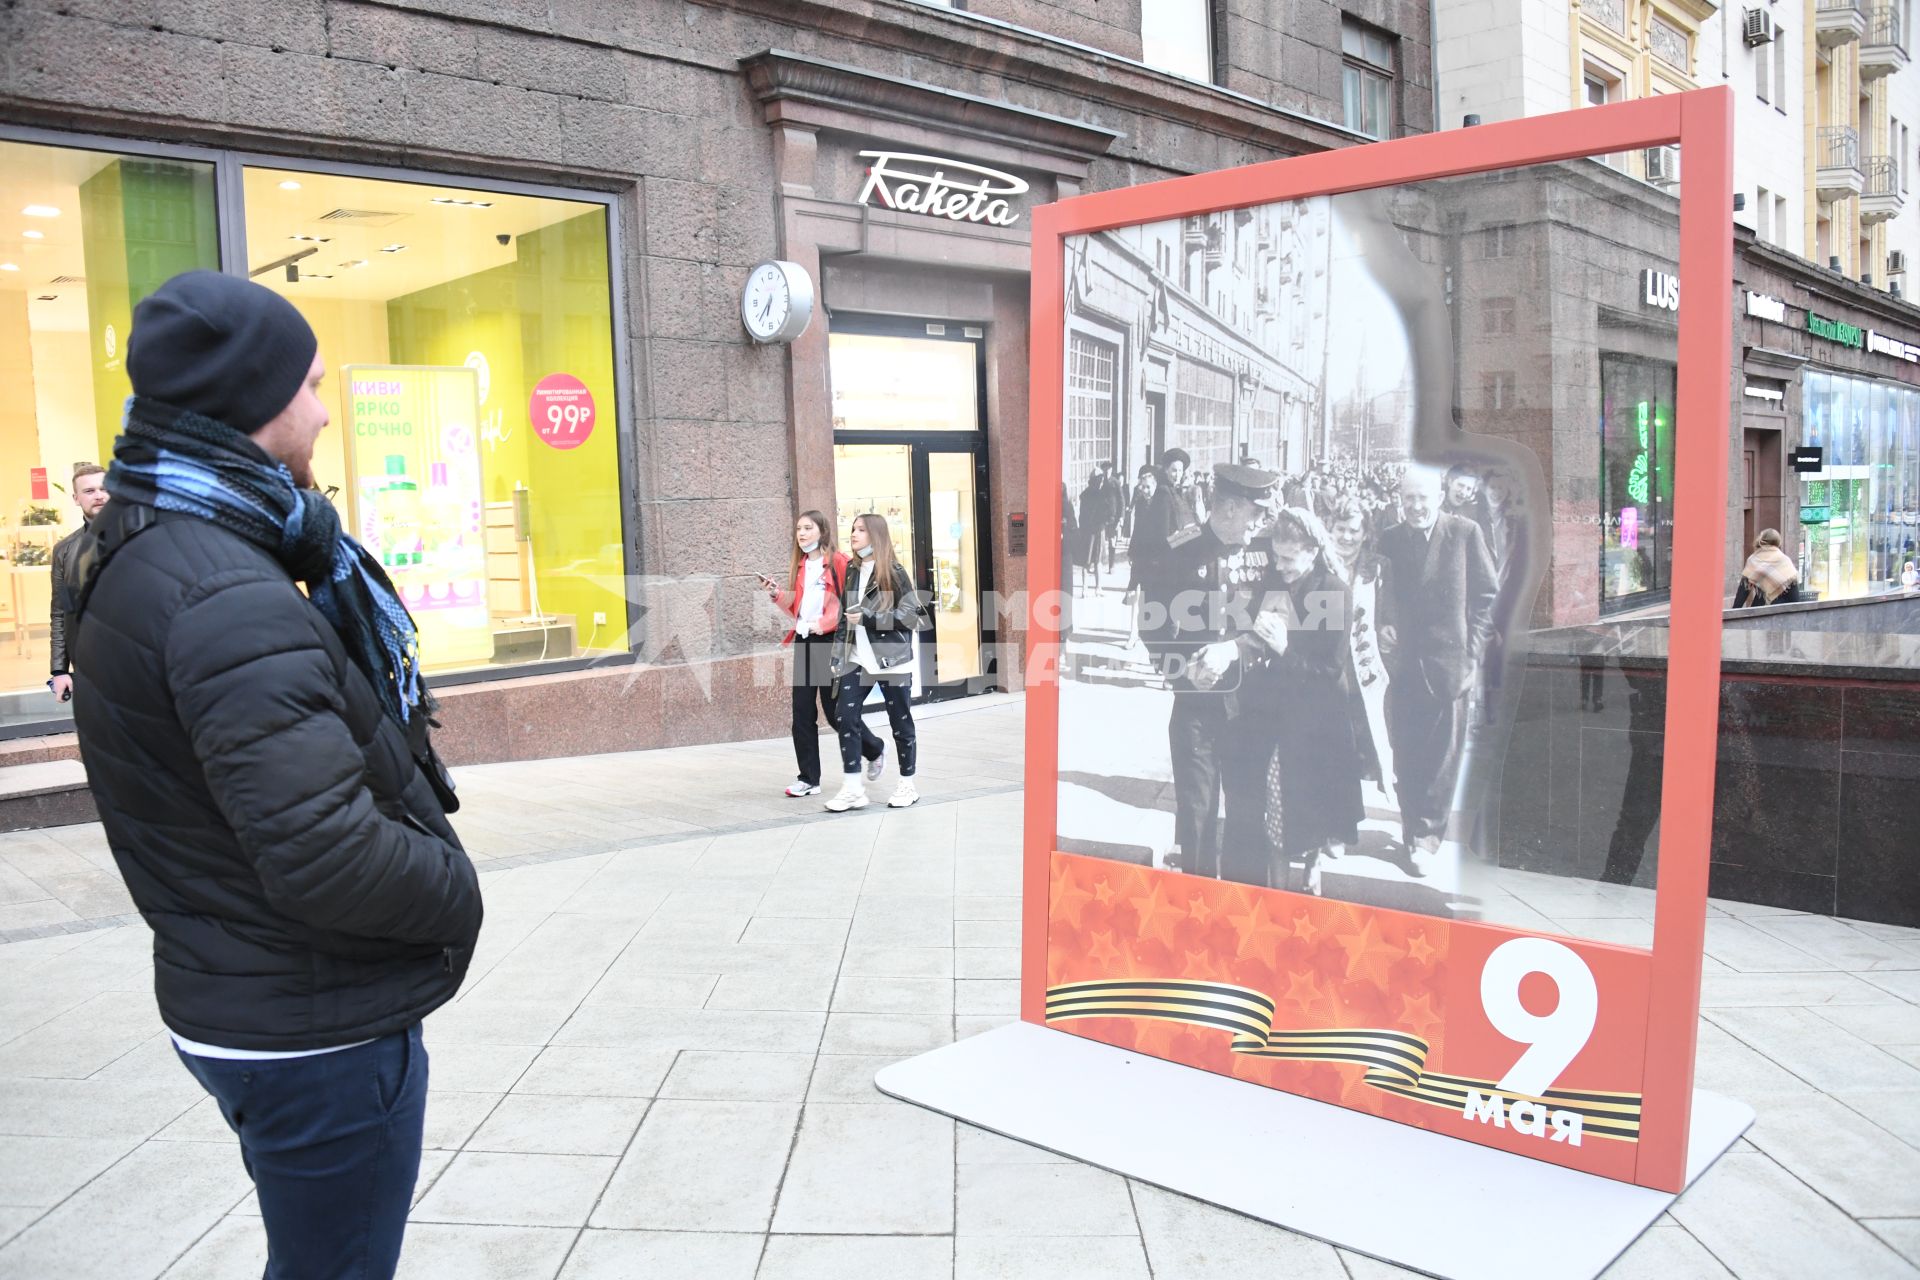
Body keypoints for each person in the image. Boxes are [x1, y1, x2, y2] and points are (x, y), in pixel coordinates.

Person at [68, 271, 483, 1280]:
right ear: (255, 399)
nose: (327, 408)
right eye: (311, 383)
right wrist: (456, 891)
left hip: (248, 991)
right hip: (312, 1026)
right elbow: (327, 848)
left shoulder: (163, 544)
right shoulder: (226, 592)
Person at [1137, 463, 1279, 880]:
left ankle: (1240, 903)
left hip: (1250, 708)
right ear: (1232, 508)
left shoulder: (1266, 553)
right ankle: (1196, 902)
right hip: (1196, 709)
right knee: (1196, 814)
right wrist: (1182, 673)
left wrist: (1237, 650)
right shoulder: (1179, 550)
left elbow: (1281, 619)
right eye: (1256, 513)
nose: (1262, 522)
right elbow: (1152, 626)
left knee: (1246, 813)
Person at [1242, 506, 1374, 896]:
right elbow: (1250, 624)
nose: (1278, 565)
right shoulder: (1273, 581)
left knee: (1312, 812)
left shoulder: (1334, 592)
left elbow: (1330, 669)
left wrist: (1283, 648)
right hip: (1275, 718)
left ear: (1312, 552)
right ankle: (1278, 893)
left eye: (1287, 558)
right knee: (1277, 811)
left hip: (1318, 723)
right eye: (1275, 556)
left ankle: (1313, 871)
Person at [1376, 464, 1499, 876]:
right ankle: (1412, 827)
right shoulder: (1390, 539)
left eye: (1422, 498)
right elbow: (1379, 592)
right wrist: (1384, 623)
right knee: (1405, 751)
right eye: (1407, 498)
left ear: (1439, 497)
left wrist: (1472, 650)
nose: (1414, 506)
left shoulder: (1464, 533)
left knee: (1441, 758)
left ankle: (1426, 838)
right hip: (1404, 667)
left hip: (1450, 666)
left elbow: (1486, 595)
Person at [766, 509, 876, 798]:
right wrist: (778, 595)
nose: (801, 534)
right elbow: (798, 609)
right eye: (799, 529)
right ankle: (808, 779)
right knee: (801, 712)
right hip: (805, 641)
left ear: (822, 532)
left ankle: (874, 748)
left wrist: (823, 624)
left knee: (835, 711)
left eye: (808, 528)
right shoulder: (801, 565)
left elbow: (846, 602)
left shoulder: (839, 562)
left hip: (829, 642)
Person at [826, 513, 928, 811]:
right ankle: (852, 787)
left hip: (891, 660)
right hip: (856, 659)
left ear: (876, 536)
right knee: (844, 715)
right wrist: (837, 656)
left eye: (860, 530)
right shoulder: (853, 572)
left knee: (900, 722)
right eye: (853, 529)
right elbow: (846, 616)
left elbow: (914, 617)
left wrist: (870, 618)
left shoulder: (894, 572)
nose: (854, 535)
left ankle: (907, 784)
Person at [1324, 496, 1393, 808]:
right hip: (1327, 670)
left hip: (1366, 672)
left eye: (1354, 530)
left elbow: (1391, 614)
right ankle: (1336, 827)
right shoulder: (1319, 563)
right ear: (1330, 528)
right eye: (1340, 529)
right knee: (1333, 750)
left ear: (1366, 533)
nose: (1347, 537)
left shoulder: (1378, 568)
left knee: (1366, 748)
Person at [47, 461, 110, 704]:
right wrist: (59, 670)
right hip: (90, 663)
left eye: (104, 489)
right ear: (76, 499)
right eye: (89, 491)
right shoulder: (64, 551)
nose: (99, 496)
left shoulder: (143, 538)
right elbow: (61, 611)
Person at [1733, 529, 1799, 607]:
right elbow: (1794, 597)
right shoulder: (1785, 561)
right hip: (1782, 610)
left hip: (1759, 609)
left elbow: (1743, 591)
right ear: (1778, 542)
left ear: (1761, 540)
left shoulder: (1753, 560)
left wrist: (1735, 610)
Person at [1077, 468, 1112, 591]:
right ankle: (1095, 588)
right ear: (1095, 481)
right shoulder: (1098, 495)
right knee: (1094, 560)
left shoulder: (1086, 494)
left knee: (1090, 560)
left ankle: (1088, 588)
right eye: (1100, 480)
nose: (1101, 483)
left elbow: (1082, 516)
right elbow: (1106, 512)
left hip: (1091, 530)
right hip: (1093, 531)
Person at [1161, 448, 1203, 528]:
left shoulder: (1181, 491)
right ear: (1166, 470)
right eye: (1174, 471)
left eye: (1180, 470)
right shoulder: (1163, 491)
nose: (1177, 475)